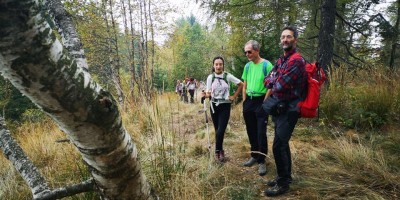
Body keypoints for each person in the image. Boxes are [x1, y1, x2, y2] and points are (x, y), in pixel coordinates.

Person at [263, 26, 308, 196]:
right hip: (280, 108)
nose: (285, 40)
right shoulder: (282, 60)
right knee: (282, 144)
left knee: (278, 146)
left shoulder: (297, 61)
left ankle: (283, 184)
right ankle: (285, 176)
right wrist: (275, 79)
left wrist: (275, 79)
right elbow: (267, 81)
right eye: (283, 37)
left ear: (295, 39)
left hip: (290, 110)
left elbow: (279, 85)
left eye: (288, 37)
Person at [202, 56, 243, 162]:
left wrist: (234, 97)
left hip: (225, 106)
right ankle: (221, 150)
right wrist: (205, 95)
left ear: (223, 65)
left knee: (221, 131)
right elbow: (208, 92)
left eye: (220, 64)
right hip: (214, 106)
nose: (218, 66)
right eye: (216, 64)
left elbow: (241, 84)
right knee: (217, 130)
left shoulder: (228, 76)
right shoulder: (210, 77)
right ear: (213, 65)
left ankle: (217, 151)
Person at [241, 40, 273, 176]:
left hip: (261, 101)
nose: (247, 54)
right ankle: (254, 155)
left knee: (261, 132)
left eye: (250, 51)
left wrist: (264, 103)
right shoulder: (247, 66)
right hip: (249, 101)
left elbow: (271, 86)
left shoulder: (267, 65)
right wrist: (244, 101)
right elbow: (244, 84)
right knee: (251, 130)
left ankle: (261, 160)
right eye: (246, 52)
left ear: (257, 50)